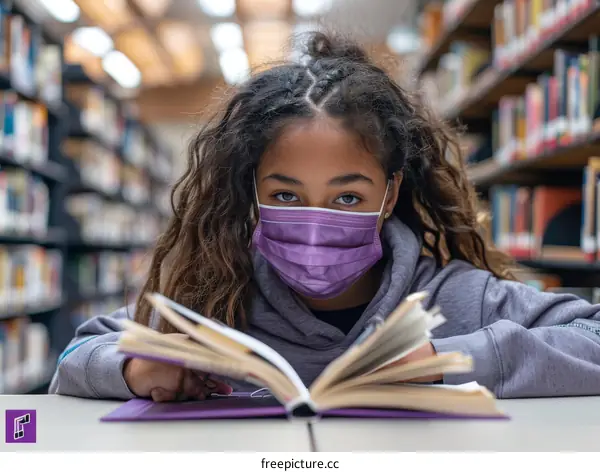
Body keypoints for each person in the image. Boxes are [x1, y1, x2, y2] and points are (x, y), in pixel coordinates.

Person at [50, 32, 600, 402]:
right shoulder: (212, 296)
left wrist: (455, 357)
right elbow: (76, 353)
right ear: (252, 193)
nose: (315, 221)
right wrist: (133, 370)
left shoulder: (461, 300)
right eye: (287, 196)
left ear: (389, 195)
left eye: (347, 198)